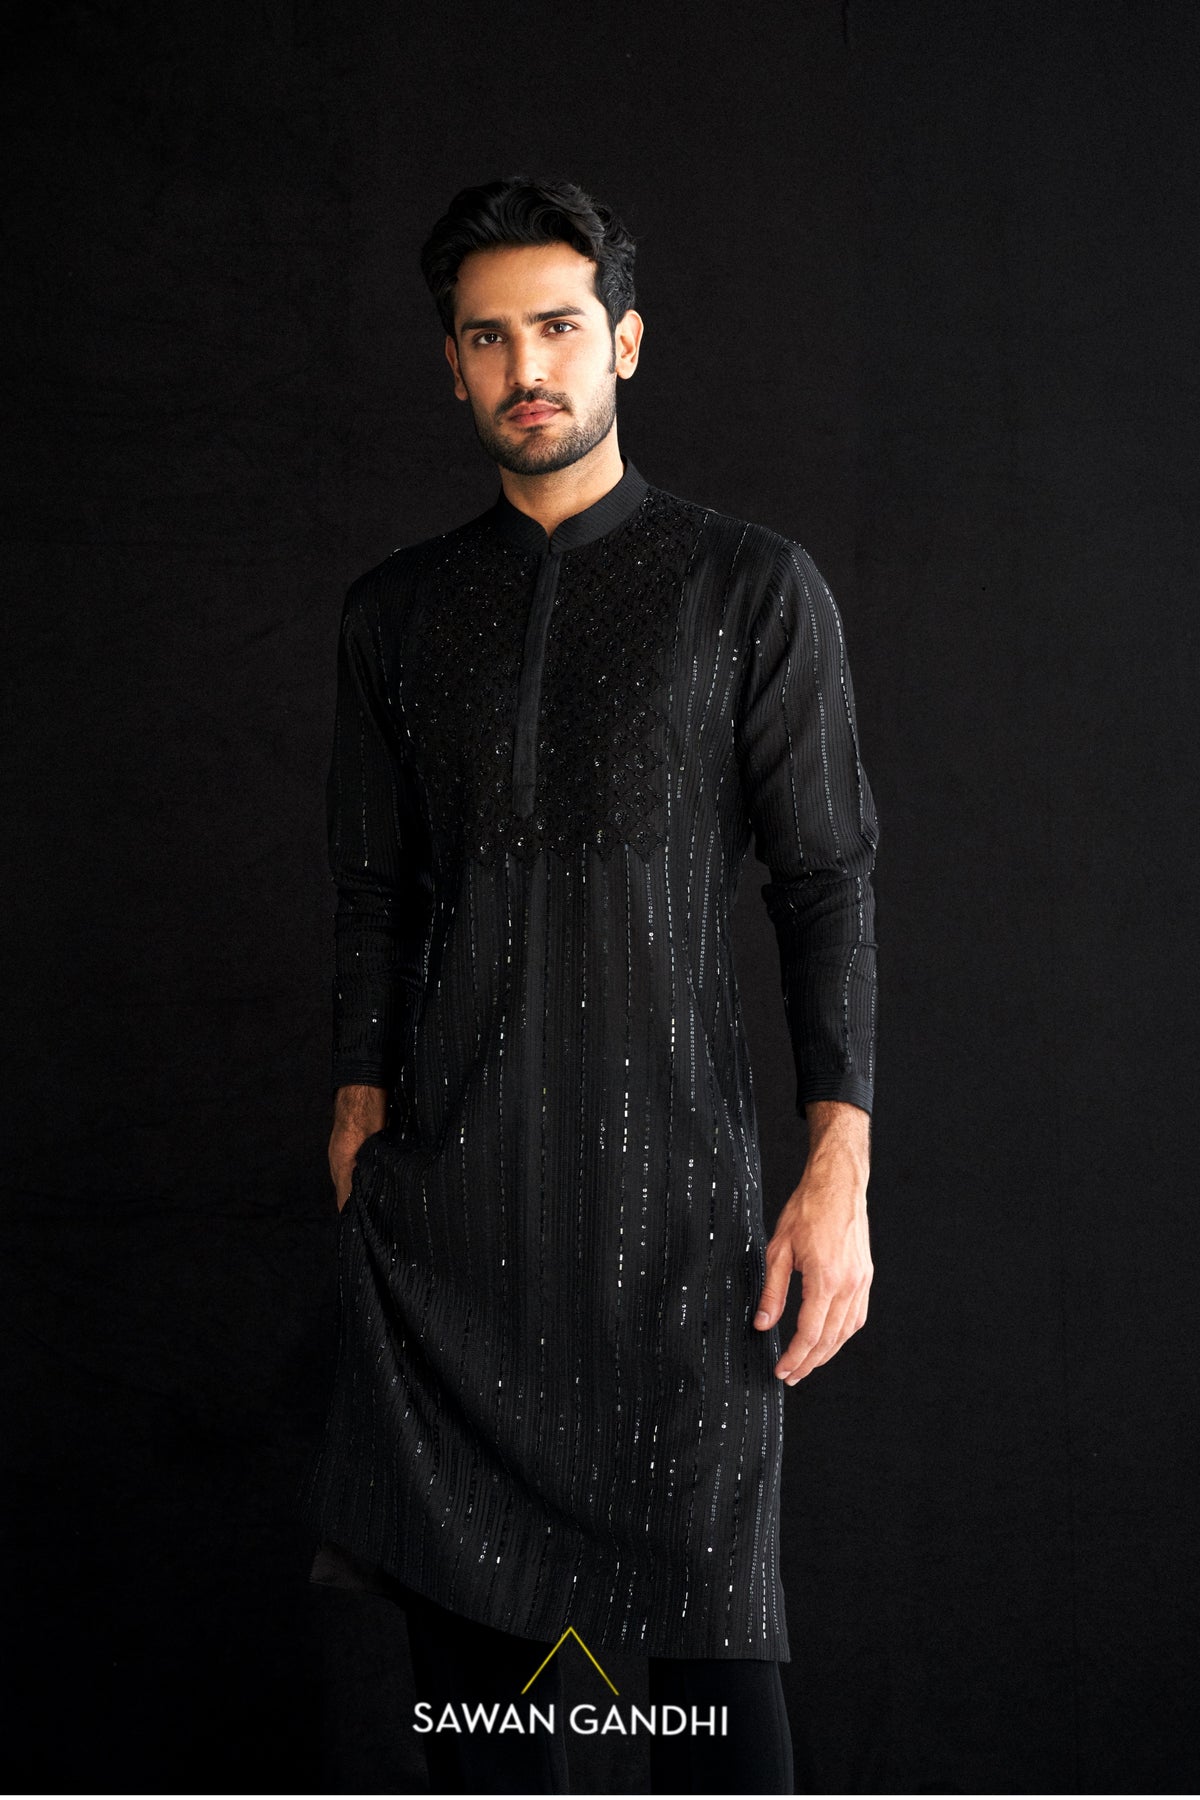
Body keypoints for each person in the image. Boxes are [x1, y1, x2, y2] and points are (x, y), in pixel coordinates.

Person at [297, 174, 879, 1796]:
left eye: (557, 327)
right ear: (452, 367)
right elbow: (373, 888)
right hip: (454, 1234)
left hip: (677, 1227)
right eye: (488, 338)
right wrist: (357, 1100)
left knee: (717, 1719)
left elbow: (829, 881)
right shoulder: (397, 613)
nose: (526, 366)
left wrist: (838, 1164)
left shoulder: (748, 589)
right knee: (492, 1729)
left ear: (622, 340)